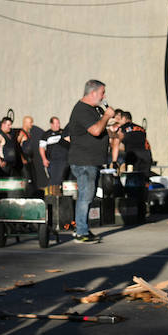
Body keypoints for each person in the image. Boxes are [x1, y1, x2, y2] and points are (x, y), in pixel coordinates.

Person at [66, 80, 113, 242]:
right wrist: (107, 116)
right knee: (86, 196)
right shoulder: (82, 110)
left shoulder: (92, 109)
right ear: (93, 93)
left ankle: (81, 227)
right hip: (84, 161)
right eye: (102, 93)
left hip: (91, 160)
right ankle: (81, 232)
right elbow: (95, 130)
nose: (104, 96)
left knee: (87, 195)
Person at [19, 114, 46, 188]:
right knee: (27, 179)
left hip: (29, 160)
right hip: (24, 161)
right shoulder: (21, 134)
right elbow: (16, 146)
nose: (32, 124)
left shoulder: (29, 134)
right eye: (30, 122)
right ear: (25, 123)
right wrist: (22, 158)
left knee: (32, 179)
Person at [42, 115, 69, 185]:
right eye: (56, 123)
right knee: (54, 178)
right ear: (51, 124)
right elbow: (41, 148)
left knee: (63, 178)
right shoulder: (46, 135)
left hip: (64, 160)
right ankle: (52, 194)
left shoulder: (63, 132)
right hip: (52, 161)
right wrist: (44, 159)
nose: (58, 125)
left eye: (58, 123)